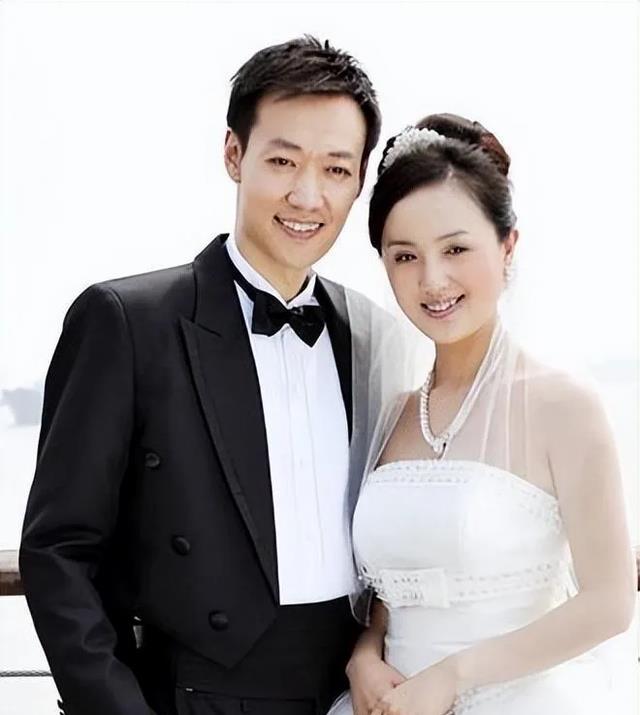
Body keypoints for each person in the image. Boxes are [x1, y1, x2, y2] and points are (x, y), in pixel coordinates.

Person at [19, 36, 394, 715]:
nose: (307, 195)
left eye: (337, 169)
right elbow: (58, 550)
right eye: (283, 160)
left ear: (359, 180)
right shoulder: (127, 322)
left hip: (352, 695)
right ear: (233, 155)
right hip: (195, 696)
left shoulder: (372, 333)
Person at [329, 114, 636, 715]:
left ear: (507, 246)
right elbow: (397, 582)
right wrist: (363, 654)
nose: (432, 280)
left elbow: (610, 602)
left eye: (456, 249)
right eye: (405, 256)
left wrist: (454, 676)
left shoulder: (563, 405)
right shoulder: (393, 410)